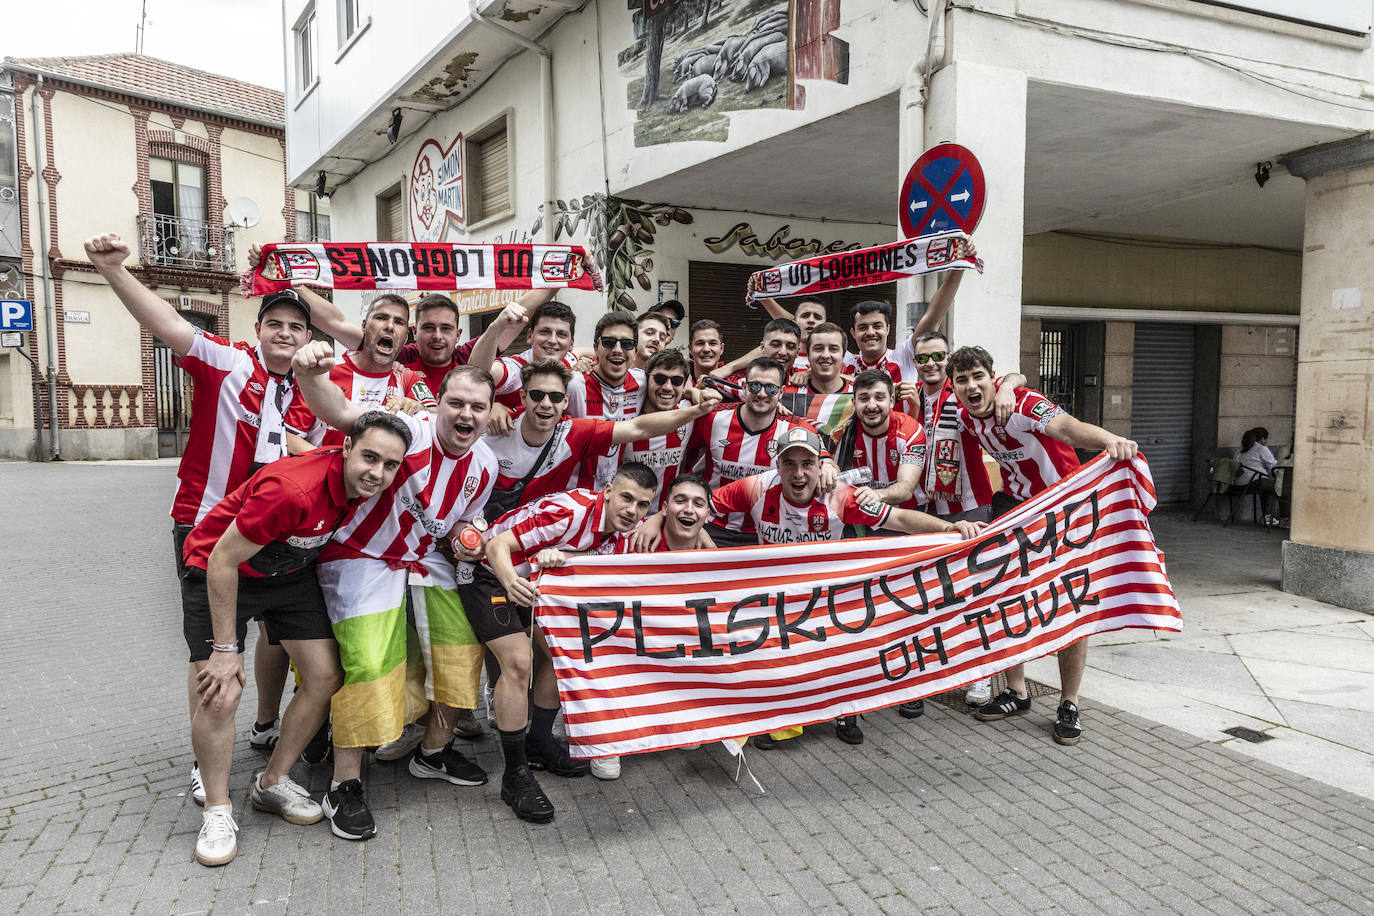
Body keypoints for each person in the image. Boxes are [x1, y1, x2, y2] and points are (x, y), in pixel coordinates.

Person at [84, 232, 356, 801]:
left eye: (297, 327)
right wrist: (113, 271)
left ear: (310, 336)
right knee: (211, 656)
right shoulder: (227, 361)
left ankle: (267, 754)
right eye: (275, 323)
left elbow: (317, 443)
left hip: (277, 537)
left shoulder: (310, 393)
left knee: (305, 656)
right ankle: (208, 765)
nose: (285, 333)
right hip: (207, 528)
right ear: (258, 328)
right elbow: (166, 323)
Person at [460, 362, 722, 823]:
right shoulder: (570, 509)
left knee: (564, 654)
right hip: (489, 572)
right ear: (607, 493)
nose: (633, 511)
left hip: (536, 585)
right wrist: (514, 579)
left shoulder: (627, 534)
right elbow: (499, 544)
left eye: (643, 506)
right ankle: (515, 774)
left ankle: (540, 742)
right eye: (625, 500)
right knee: (519, 662)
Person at [181, 410, 411, 866]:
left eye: (389, 465)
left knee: (325, 676)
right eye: (369, 457)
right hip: (219, 569)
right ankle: (218, 809)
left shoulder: (357, 482)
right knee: (221, 691)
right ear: (346, 448)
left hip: (287, 573)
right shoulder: (292, 490)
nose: (377, 473)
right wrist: (228, 651)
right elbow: (223, 560)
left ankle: (271, 783)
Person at [292, 342, 500, 840]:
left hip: (425, 554)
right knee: (366, 659)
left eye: (477, 407)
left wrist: (469, 540)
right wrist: (308, 375)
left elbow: (460, 523)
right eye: (456, 403)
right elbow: (340, 413)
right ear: (438, 404)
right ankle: (344, 783)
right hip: (361, 552)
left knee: (461, 645)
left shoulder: (486, 465)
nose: (465, 415)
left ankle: (433, 752)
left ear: (491, 414)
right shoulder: (405, 430)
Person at [710, 427, 981, 747]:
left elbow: (902, 520)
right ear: (777, 466)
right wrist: (660, 520)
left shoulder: (839, 496)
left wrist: (951, 527)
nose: (798, 473)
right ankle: (780, 720)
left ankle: (845, 710)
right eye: (790, 464)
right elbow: (700, 507)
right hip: (779, 595)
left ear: (819, 465)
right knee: (776, 655)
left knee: (841, 647)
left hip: (826, 593)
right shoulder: (755, 488)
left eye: (807, 464)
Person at [946, 346, 1137, 747]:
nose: (970, 385)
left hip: (1063, 509)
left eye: (978, 376)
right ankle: (1017, 692)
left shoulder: (1024, 405)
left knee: (1069, 604)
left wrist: (1109, 440)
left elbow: (1067, 428)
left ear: (991, 377)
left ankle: (1069, 702)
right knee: (1007, 598)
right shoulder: (965, 415)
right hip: (1016, 510)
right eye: (961, 380)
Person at [679, 357, 835, 547]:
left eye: (770, 388)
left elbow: (825, 461)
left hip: (768, 531)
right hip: (712, 525)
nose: (761, 394)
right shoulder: (712, 418)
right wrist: (691, 391)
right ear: (744, 387)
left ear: (781, 392)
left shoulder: (795, 429)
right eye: (754, 386)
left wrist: (827, 466)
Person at [315, 294, 436, 446]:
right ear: (364, 325)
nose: (390, 326)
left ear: (406, 337)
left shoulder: (407, 379)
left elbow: (438, 419)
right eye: (381, 317)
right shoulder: (326, 371)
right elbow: (291, 437)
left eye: (399, 322)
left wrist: (419, 408)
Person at [565, 311, 645, 488]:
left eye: (626, 344)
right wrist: (499, 406)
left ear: (635, 351)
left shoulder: (642, 382)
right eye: (609, 343)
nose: (617, 350)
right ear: (595, 348)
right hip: (570, 494)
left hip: (611, 496)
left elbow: (674, 388)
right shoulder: (574, 383)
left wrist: (692, 392)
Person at [621, 349, 697, 508]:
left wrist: (696, 392)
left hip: (664, 516)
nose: (668, 387)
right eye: (660, 379)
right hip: (624, 516)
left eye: (676, 381)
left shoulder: (688, 412)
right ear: (646, 380)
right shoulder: (625, 417)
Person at [779, 321, 853, 438]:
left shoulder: (859, 395)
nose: (825, 355)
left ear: (843, 355)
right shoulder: (785, 395)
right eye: (818, 349)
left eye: (833, 349)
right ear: (807, 354)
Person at [759, 297, 827, 371]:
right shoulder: (775, 357)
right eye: (805, 316)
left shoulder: (836, 360)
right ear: (794, 322)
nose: (811, 320)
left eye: (817, 317)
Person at [687, 319, 725, 383]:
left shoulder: (737, 381)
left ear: (721, 348)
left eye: (712, 343)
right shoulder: (677, 379)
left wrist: (731, 367)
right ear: (690, 349)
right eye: (700, 343)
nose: (706, 349)